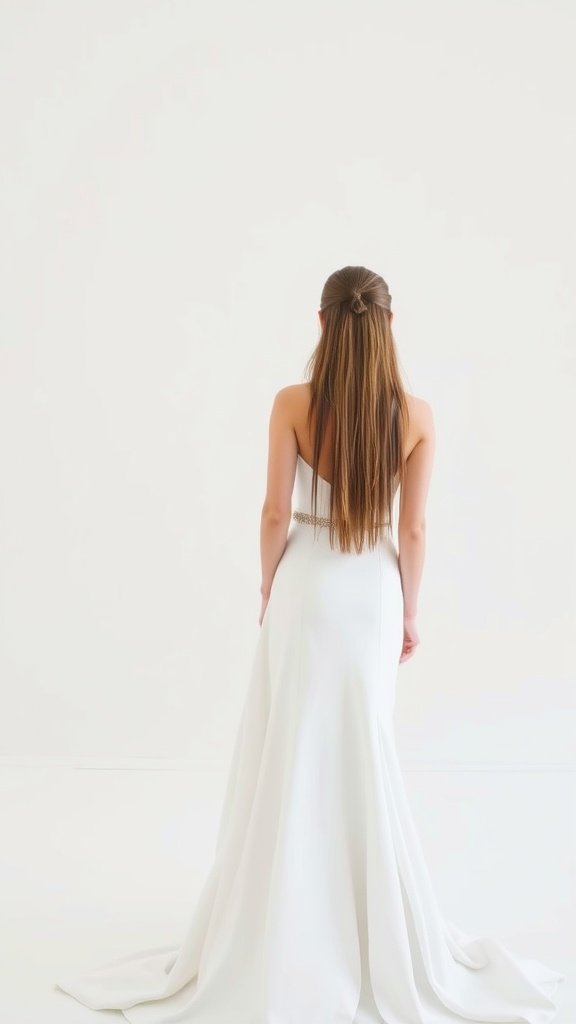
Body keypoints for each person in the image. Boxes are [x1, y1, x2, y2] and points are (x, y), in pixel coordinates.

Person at [55, 265, 565, 1023]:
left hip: (306, 586)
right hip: (371, 595)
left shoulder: (292, 404)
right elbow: (415, 529)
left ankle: (279, 924)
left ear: (322, 324)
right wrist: (411, 612)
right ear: (389, 326)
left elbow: (272, 513)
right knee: (364, 750)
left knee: (289, 750)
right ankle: (364, 927)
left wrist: (270, 586)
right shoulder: (417, 416)